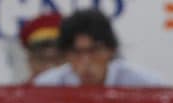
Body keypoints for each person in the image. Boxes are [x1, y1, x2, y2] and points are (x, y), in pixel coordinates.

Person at [33, 9, 162, 87]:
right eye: (76, 53)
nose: (86, 62)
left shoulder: (143, 84)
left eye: (94, 51)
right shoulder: (48, 85)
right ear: (66, 55)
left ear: (111, 51)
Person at [19, 12, 65, 82]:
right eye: (42, 60)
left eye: (57, 59)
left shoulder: (82, 89)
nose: (50, 67)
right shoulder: (19, 92)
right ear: (30, 62)